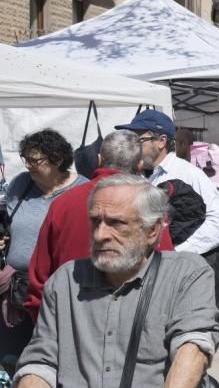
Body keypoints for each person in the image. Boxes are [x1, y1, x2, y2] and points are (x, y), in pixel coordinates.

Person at [0, 174, 219, 388]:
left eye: (116, 223)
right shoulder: (65, 280)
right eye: (96, 222)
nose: (102, 234)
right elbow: (41, 362)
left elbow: (193, 345)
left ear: (152, 231)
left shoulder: (188, 274)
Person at [24, 130, 175, 322]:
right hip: (130, 321)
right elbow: (165, 268)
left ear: (99, 159)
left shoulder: (63, 203)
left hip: (69, 318)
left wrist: (47, 323)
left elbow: (39, 277)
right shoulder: (149, 204)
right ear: (139, 165)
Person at [116, 110, 219, 337]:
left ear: (161, 141)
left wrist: (174, 253)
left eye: (139, 139)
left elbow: (218, 226)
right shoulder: (141, 176)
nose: (132, 145)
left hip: (181, 276)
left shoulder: (190, 175)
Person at [0, 130, 86, 370]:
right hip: (17, 291)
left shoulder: (83, 191)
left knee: (54, 358)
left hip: (60, 291)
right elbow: (9, 222)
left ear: (57, 160)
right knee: (11, 358)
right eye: (25, 159)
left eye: (34, 160)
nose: (28, 166)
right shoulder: (20, 185)